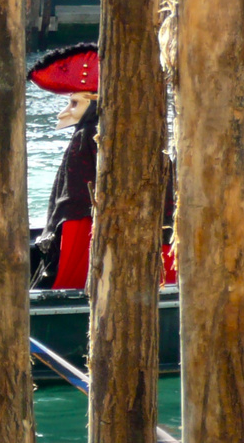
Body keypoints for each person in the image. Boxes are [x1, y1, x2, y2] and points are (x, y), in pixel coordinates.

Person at [28, 42, 177, 290]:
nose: (62, 114)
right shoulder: (144, 134)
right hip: (158, 249)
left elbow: (74, 208)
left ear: (97, 105)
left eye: (75, 103)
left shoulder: (86, 137)